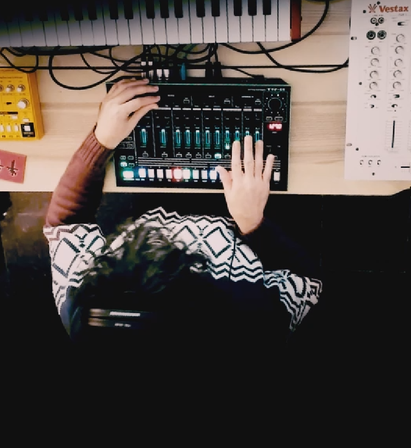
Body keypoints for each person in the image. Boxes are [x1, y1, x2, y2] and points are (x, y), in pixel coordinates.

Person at [44, 77, 322, 358]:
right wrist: (253, 224)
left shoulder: (84, 312)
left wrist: (101, 141)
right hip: (245, 216)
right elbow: (306, 279)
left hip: (143, 202)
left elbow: (65, 223)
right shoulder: (259, 325)